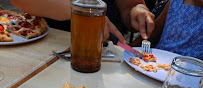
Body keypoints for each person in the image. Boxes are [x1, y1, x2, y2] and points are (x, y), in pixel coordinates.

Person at [9, 0, 155, 43]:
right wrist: (82, 12)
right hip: (51, 45)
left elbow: (129, 6)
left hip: (107, 53)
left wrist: (137, 10)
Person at [131, 0, 203, 60]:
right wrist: (128, 48)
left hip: (192, 71)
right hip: (157, 62)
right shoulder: (175, 2)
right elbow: (152, 33)